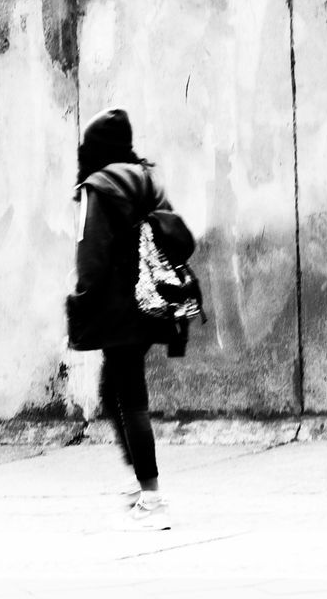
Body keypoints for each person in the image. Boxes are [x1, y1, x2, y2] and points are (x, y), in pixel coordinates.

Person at [67, 108, 189, 529]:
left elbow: (92, 255)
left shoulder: (98, 187)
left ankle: (152, 497)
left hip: (117, 309)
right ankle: (143, 483)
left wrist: (81, 297)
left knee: (130, 399)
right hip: (149, 301)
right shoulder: (145, 179)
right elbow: (175, 235)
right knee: (114, 392)